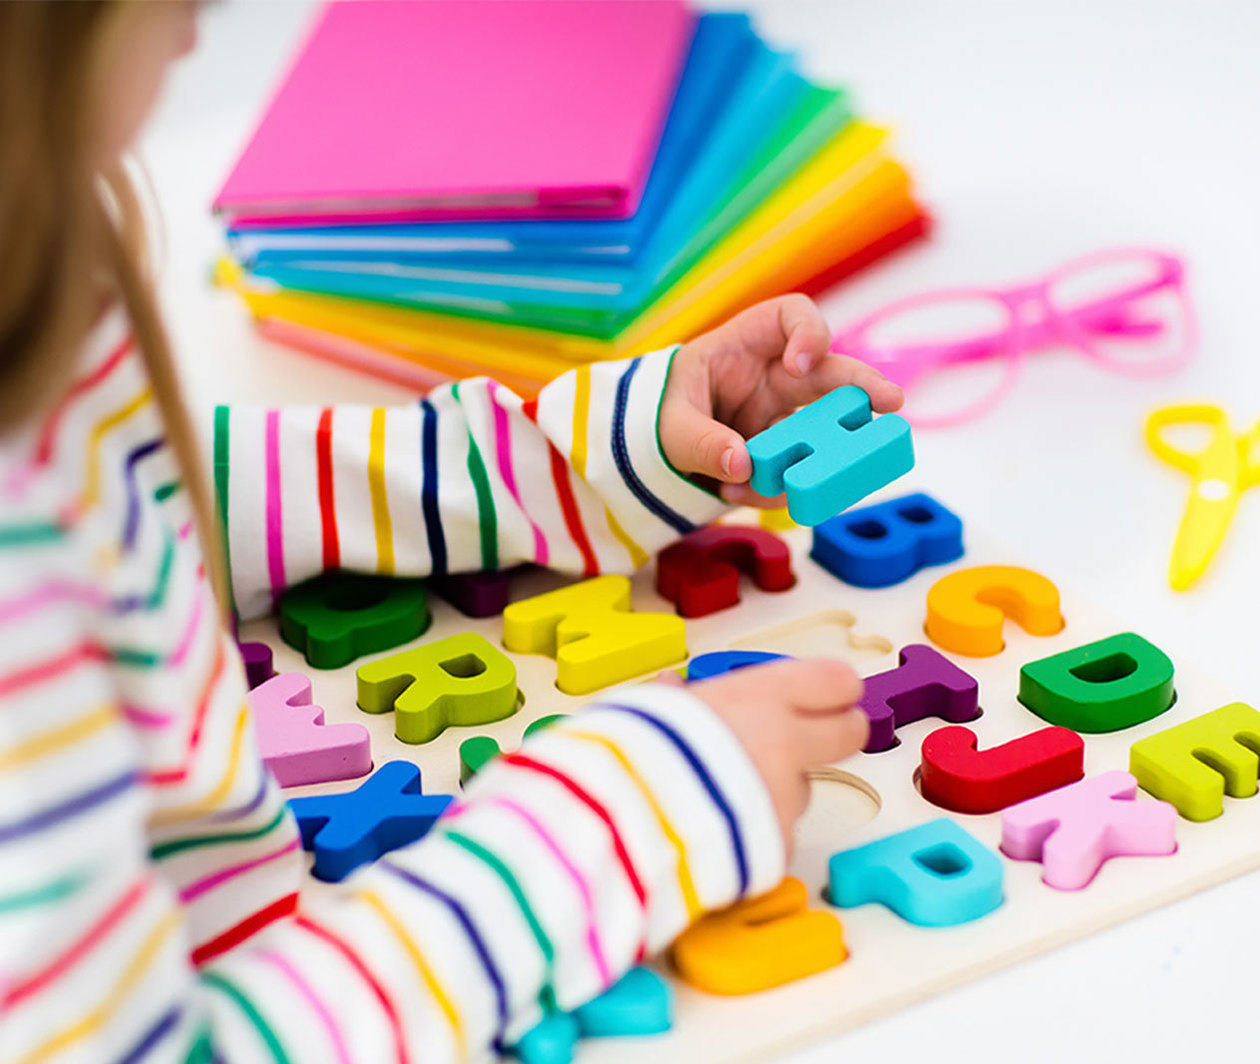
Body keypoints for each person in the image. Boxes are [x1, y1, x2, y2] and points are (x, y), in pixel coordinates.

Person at [0, 4, 898, 1062]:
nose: (207, 24)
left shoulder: (40, 232)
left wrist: (586, 463)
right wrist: (629, 819)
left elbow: (152, 508)